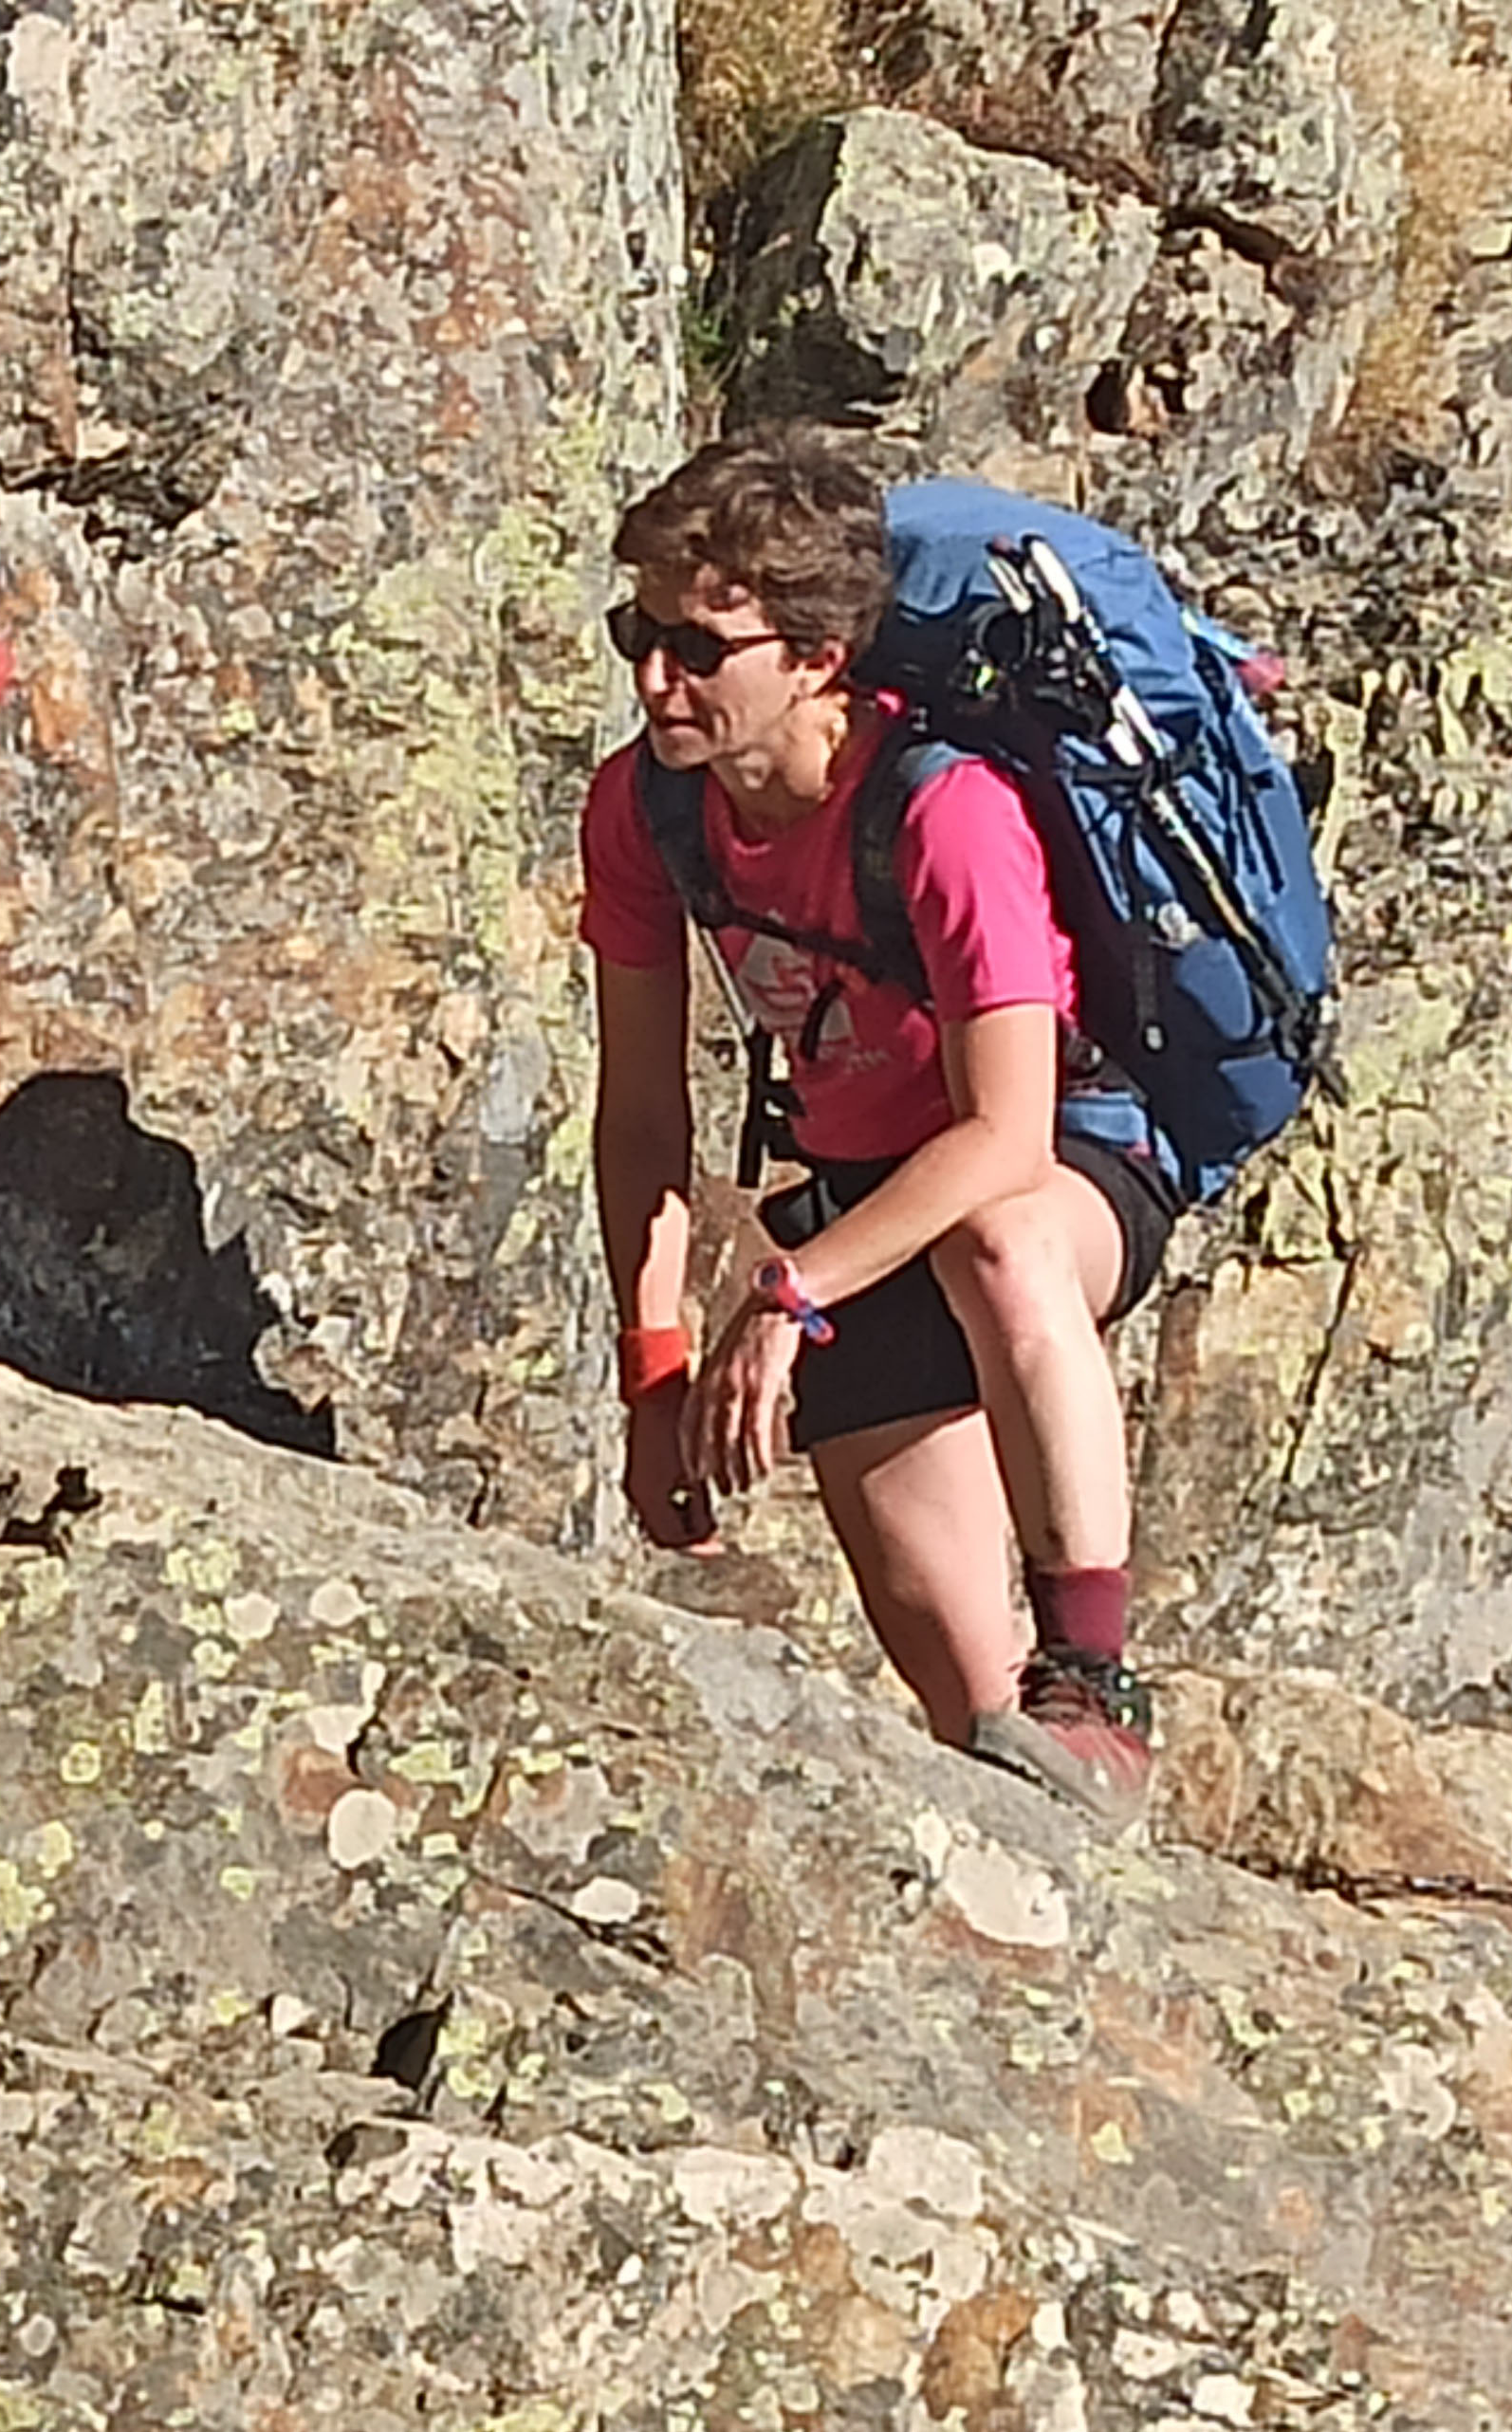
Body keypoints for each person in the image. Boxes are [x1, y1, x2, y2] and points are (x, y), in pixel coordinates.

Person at [578, 427, 1175, 1823]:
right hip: (858, 1204)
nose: (659, 677)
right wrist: (655, 1367)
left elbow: (1007, 1135)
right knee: (979, 1738)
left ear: (816, 658)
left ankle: (1099, 1683)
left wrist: (789, 1294)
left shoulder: (943, 813)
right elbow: (642, 1118)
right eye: (640, 632)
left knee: (999, 1245)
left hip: (1064, 1157)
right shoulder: (647, 811)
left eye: (702, 646)